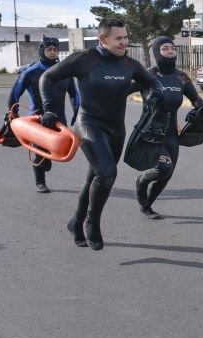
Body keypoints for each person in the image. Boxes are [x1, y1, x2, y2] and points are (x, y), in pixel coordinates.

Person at [39, 18, 164, 251]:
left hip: (116, 129)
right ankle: (92, 222)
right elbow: (47, 77)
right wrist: (49, 108)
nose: (124, 42)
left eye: (126, 37)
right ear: (103, 38)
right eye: (119, 38)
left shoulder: (130, 64)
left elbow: (152, 83)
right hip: (89, 124)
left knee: (94, 179)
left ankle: (75, 223)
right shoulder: (84, 59)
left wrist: (155, 93)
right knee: (107, 174)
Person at [130, 36, 203, 219]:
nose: (170, 51)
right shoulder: (147, 75)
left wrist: (202, 110)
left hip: (172, 133)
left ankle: (147, 206)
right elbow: (120, 92)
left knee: (167, 174)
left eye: (173, 48)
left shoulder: (181, 77)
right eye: (165, 48)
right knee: (163, 168)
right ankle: (141, 181)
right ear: (157, 52)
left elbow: (197, 101)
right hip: (151, 133)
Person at [8, 37, 79, 193]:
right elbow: (15, 94)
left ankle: (46, 161)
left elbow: (74, 94)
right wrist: (13, 114)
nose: (53, 52)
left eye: (55, 49)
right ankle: (40, 182)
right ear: (42, 51)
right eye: (49, 49)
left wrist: (76, 111)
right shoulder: (30, 72)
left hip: (59, 120)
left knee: (56, 151)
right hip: (38, 120)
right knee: (41, 154)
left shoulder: (64, 72)